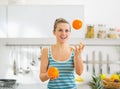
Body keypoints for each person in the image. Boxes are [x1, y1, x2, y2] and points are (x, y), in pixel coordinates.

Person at [39, 18, 84, 89]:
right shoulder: (46, 51)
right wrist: (48, 75)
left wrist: (78, 56)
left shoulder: (74, 51)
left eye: (67, 31)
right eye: (60, 30)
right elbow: (42, 77)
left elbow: (79, 72)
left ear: (69, 33)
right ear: (54, 32)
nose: (63, 33)